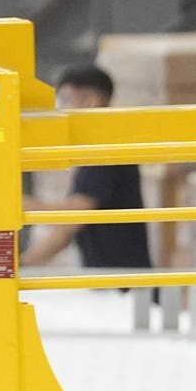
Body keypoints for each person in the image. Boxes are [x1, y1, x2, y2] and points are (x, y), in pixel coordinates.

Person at [24, 62, 152, 269]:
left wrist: (24, 206)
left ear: (91, 101)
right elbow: (67, 230)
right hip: (110, 281)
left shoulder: (108, 148)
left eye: (66, 99)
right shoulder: (94, 149)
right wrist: (20, 265)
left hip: (124, 287)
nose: (61, 108)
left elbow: (74, 217)